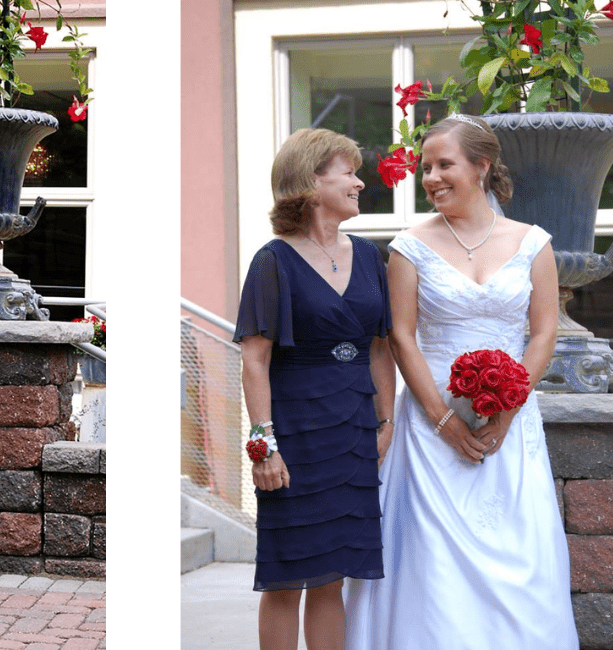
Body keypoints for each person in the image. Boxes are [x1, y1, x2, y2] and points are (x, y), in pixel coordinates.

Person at [344, 114, 578, 648]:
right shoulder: (409, 247)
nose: (430, 177)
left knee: (519, 553)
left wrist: (510, 407)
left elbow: (543, 333)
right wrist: (444, 420)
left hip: (510, 428)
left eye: (444, 164)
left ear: (481, 166)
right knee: (432, 565)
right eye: (426, 167)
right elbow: (401, 337)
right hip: (430, 431)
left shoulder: (532, 242)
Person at [234, 128, 396, 650]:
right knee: (286, 576)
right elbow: (254, 360)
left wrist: (385, 421)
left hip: (353, 430)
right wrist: (264, 446)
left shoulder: (371, 257)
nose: (359, 181)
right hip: (295, 433)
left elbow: (379, 348)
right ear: (311, 179)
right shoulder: (273, 261)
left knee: (333, 577)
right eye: (348, 172)